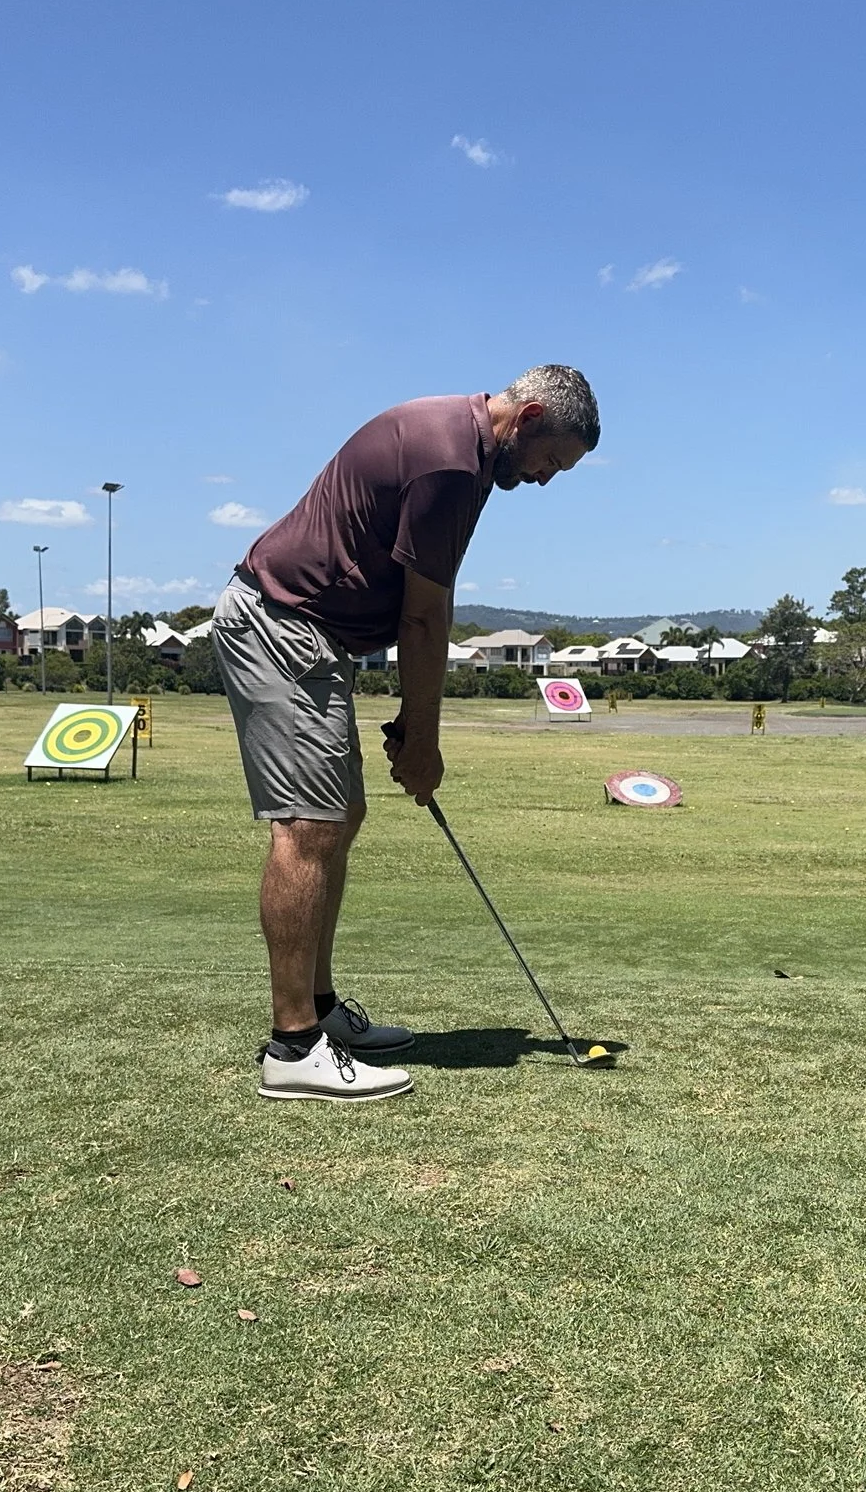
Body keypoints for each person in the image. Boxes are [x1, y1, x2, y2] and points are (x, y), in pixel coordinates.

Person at [210, 366, 599, 1101]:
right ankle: (293, 1047)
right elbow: (424, 617)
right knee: (309, 826)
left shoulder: (466, 452)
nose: (546, 478)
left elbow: (427, 603)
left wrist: (418, 724)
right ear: (527, 418)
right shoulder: (450, 461)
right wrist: (422, 739)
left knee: (340, 815)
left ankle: (319, 1008)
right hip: (281, 621)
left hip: (312, 632)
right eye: (551, 460)